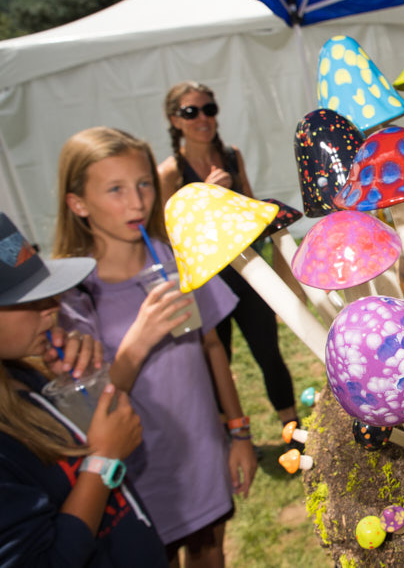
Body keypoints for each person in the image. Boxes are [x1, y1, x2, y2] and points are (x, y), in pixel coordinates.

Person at [53, 127, 256, 566]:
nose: (137, 201)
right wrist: (139, 338)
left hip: (201, 452)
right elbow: (90, 407)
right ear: (78, 203)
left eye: (144, 183)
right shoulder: (73, 297)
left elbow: (211, 347)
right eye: (116, 189)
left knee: (210, 552)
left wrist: (239, 433)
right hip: (133, 477)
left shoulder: (172, 256)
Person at [0, 211, 168, 566]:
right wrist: (104, 461)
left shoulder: (21, 379)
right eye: (28, 301)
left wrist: (64, 381)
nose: (52, 308)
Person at [156, 82, 299, 435]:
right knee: (217, 360)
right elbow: (168, 235)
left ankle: (293, 432)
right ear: (175, 120)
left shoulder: (231, 155)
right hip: (207, 280)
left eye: (209, 109)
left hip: (248, 270)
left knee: (269, 354)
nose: (203, 118)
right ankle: (233, 436)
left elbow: (252, 213)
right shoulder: (169, 173)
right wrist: (208, 196)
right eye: (192, 111)